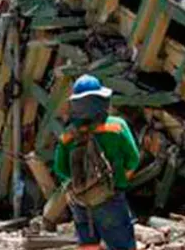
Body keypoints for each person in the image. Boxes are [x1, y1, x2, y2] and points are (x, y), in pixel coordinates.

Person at [54, 74, 140, 250]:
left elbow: (60, 169)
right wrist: (119, 179)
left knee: (88, 245)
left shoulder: (67, 135)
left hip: (80, 200)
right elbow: (133, 159)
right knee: (122, 245)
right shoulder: (117, 126)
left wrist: (81, 182)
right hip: (111, 198)